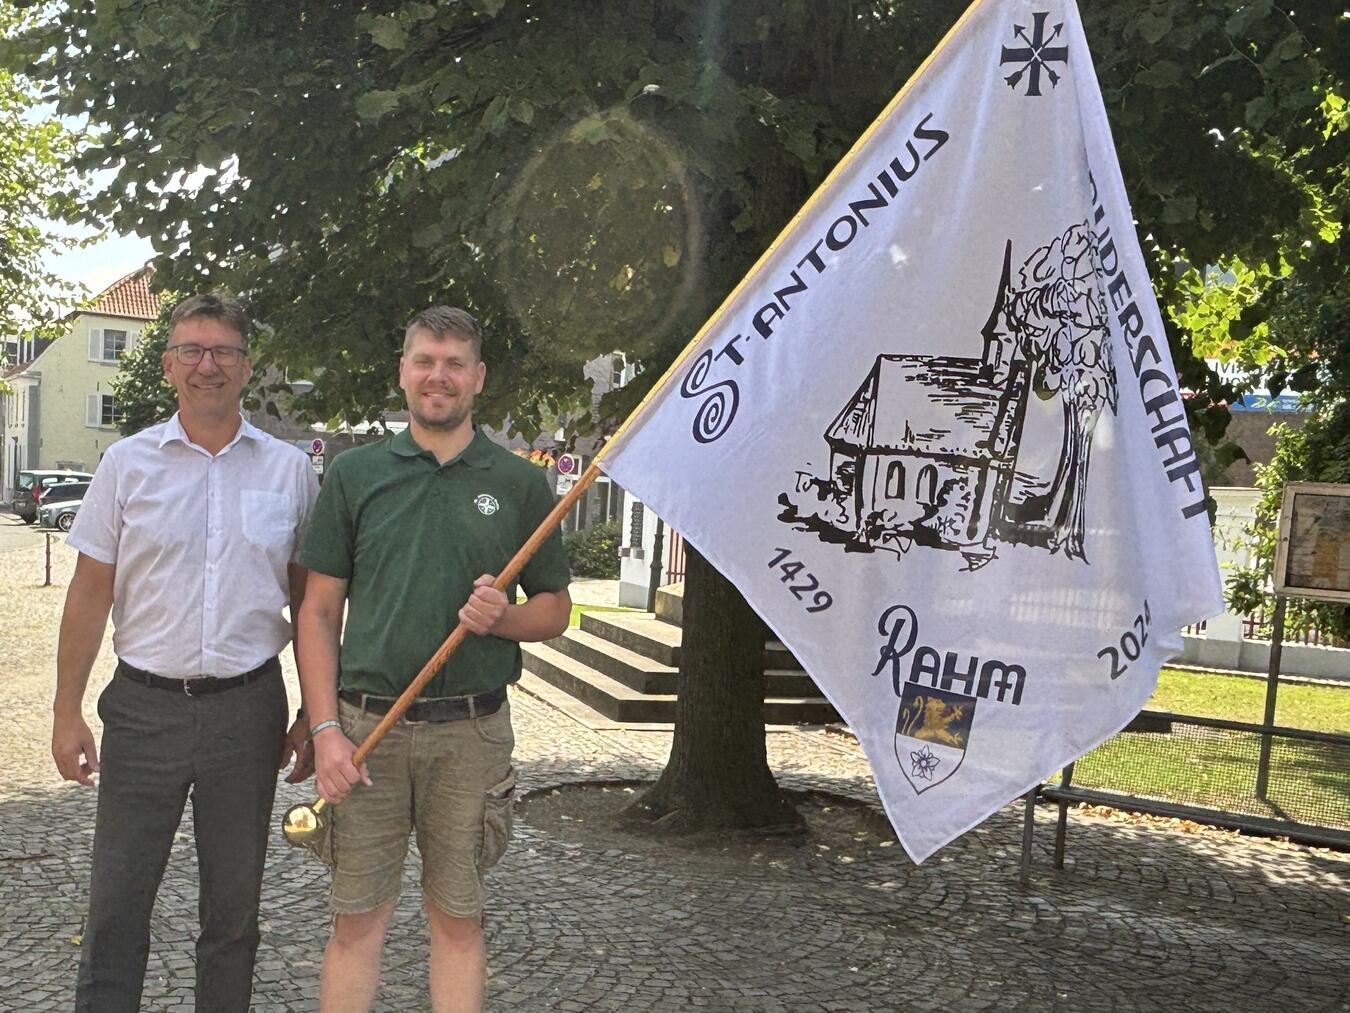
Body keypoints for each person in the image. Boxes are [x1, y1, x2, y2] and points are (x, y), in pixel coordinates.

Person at [51, 293, 320, 1012]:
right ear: (169, 364)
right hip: (142, 711)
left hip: (247, 712)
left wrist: (316, 713)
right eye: (193, 350)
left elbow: (315, 607)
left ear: (246, 365)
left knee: (232, 919)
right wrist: (65, 711)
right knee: (115, 909)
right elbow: (88, 594)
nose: (208, 365)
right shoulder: (126, 465)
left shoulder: (290, 472)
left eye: (224, 351)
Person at [297, 306, 571, 1012]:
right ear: (403, 372)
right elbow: (319, 612)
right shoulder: (356, 475)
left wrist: (504, 617)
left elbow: (555, 608)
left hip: (471, 734)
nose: (437, 375)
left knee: (457, 918)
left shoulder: (517, 483)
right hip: (367, 733)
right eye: (425, 360)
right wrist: (326, 730)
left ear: (478, 377)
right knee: (356, 919)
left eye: (454, 363)